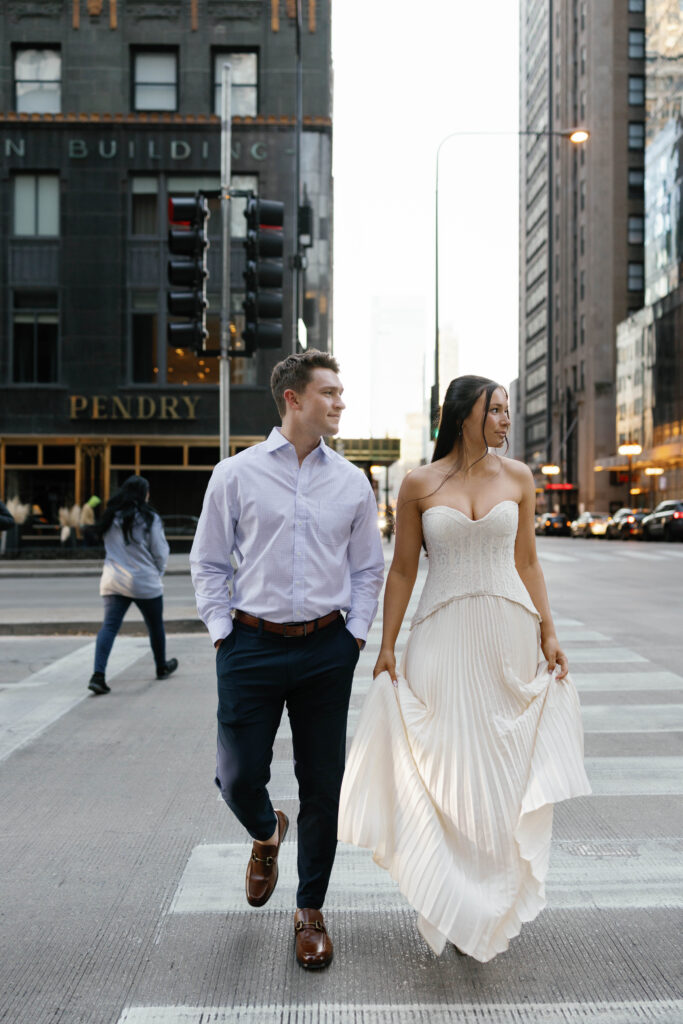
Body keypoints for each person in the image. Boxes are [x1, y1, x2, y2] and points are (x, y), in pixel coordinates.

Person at [338, 375, 591, 963]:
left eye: (505, 409)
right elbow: (403, 570)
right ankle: (453, 898)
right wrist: (386, 646)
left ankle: (490, 901)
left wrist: (549, 632)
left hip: (509, 635)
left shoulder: (519, 477)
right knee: (447, 767)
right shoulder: (419, 484)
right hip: (441, 637)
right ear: (462, 416)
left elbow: (528, 562)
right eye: (494, 410)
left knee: (502, 771)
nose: (505, 419)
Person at [190, 349, 384, 970]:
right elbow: (208, 561)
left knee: (322, 784)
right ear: (293, 399)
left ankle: (310, 910)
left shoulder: (352, 482)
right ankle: (266, 831)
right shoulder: (236, 474)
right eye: (330, 392)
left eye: (341, 392)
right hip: (250, 644)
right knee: (237, 775)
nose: (340, 402)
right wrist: (222, 634)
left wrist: (354, 638)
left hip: (327, 648)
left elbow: (368, 570)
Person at [88, 475, 178, 696]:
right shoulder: (149, 518)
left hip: (114, 580)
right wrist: (158, 572)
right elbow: (160, 551)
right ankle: (161, 667)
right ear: (143, 494)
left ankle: (98, 675)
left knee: (109, 627)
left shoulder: (111, 516)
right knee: (155, 626)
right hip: (144, 581)